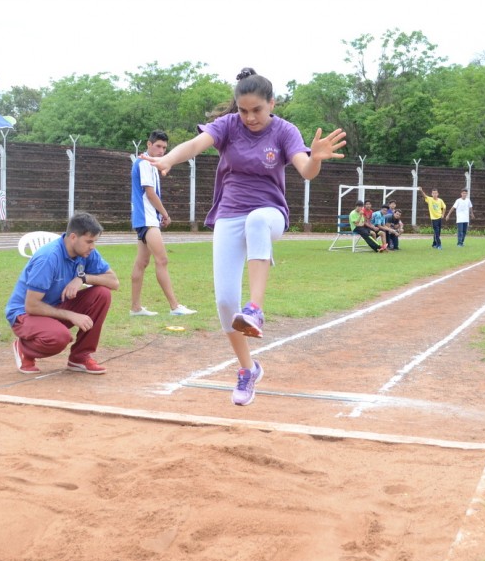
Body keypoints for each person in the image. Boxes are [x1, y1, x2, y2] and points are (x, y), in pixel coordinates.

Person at [141, 68, 346, 406]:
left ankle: (257, 307)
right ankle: (248, 369)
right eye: (243, 110)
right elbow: (195, 144)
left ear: (272, 105)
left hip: (269, 215)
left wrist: (317, 159)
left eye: (257, 110)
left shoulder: (285, 131)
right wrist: (166, 159)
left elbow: (306, 170)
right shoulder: (228, 126)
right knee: (224, 302)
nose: (250, 117)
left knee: (255, 222)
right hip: (228, 215)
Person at [5, 212, 120, 375]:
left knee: (102, 294)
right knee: (59, 338)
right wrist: (71, 315)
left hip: (54, 306)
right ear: (73, 237)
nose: (92, 246)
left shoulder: (87, 253)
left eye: (94, 242)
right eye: (89, 241)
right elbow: (31, 305)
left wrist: (82, 278)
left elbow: (114, 282)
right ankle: (24, 349)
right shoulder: (48, 258)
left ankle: (79, 358)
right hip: (24, 314)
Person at [129, 129, 197, 318]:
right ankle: (175, 306)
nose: (161, 150)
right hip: (147, 220)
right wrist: (165, 214)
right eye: (158, 146)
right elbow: (150, 193)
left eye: (164, 148)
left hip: (146, 219)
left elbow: (160, 176)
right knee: (162, 260)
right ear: (149, 145)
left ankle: (135, 308)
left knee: (142, 262)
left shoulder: (151, 164)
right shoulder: (143, 163)